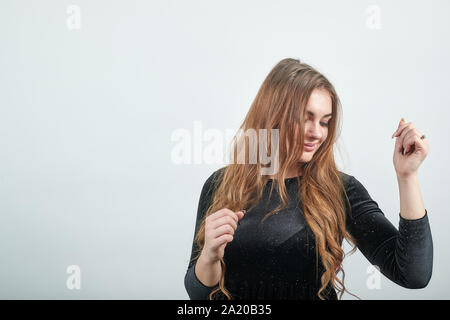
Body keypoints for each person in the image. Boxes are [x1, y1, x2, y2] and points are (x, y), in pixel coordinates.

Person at [184, 58, 433, 300]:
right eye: (306, 118)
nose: (317, 133)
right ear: (273, 114)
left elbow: (413, 274)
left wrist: (407, 176)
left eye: (325, 122)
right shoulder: (221, 184)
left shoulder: (340, 189)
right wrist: (209, 256)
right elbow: (199, 296)